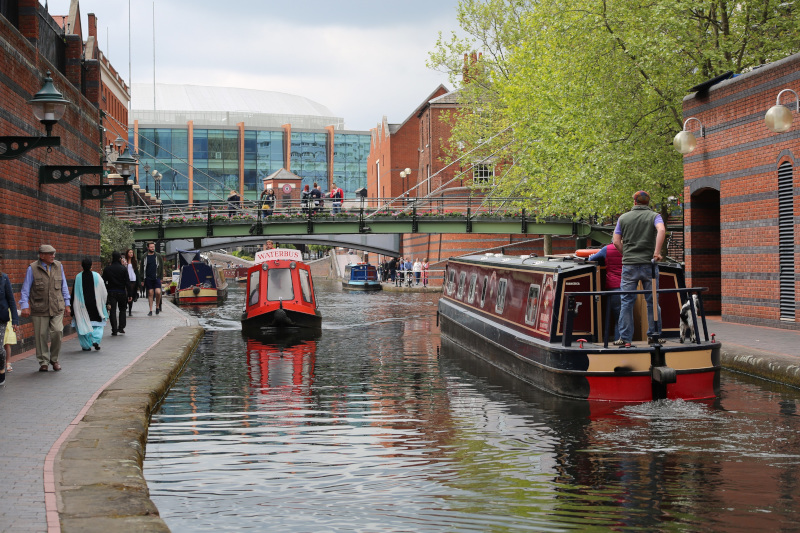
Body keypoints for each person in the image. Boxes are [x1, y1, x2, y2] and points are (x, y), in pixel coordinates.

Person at [612, 190, 666, 346]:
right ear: (648, 203)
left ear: (634, 202)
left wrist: (627, 254)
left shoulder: (623, 218)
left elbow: (616, 241)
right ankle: (653, 335)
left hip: (629, 265)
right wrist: (656, 253)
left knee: (626, 302)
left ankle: (625, 338)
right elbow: (661, 230)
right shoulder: (655, 216)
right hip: (649, 265)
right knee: (652, 301)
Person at [19, 244, 71, 372]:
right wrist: (24, 306)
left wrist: (67, 303)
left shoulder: (59, 266)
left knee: (58, 331)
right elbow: (25, 289)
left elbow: (64, 285)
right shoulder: (32, 268)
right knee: (41, 335)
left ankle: (54, 359)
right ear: (42, 255)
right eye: (50, 254)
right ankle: (43, 361)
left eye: (54, 253)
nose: (53, 256)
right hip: (39, 307)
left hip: (57, 306)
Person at [588, 244, 622, 341]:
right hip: (629, 287)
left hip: (614, 287)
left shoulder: (607, 249)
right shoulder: (631, 247)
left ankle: (619, 342)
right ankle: (627, 342)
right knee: (626, 317)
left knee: (618, 319)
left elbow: (592, 259)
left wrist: (591, 256)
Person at [73, 257, 107, 350]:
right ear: (91, 266)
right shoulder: (97, 276)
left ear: (82, 266)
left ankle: (86, 345)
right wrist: (104, 303)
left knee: (83, 325)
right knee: (97, 325)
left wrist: (72, 308)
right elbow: (104, 291)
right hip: (95, 305)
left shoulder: (78, 277)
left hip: (82, 306)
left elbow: (74, 293)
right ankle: (95, 340)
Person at [0, 258, 21, 385]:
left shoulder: (4, 278)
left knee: (0, 348)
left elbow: (11, 300)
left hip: (1, 317)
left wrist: (15, 320)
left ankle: (1, 369)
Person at [103, 251, 130, 335]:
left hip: (111, 292)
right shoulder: (123, 269)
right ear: (119, 258)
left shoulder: (107, 269)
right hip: (122, 292)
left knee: (113, 311)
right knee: (122, 310)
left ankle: (114, 329)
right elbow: (127, 282)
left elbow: (103, 281)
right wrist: (130, 294)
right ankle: (121, 327)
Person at [139, 241, 164, 316]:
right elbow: (141, 268)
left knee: (158, 292)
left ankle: (157, 306)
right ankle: (150, 310)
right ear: (148, 248)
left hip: (156, 277)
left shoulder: (158, 256)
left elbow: (161, 266)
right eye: (151, 247)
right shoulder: (144, 256)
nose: (152, 248)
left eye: (153, 247)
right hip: (148, 277)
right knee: (150, 293)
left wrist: (161, 277)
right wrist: (142, 279)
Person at [124, 248, 139, 317]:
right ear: (127, 253)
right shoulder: (124, 261)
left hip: (133, 279)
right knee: (126, 295)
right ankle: (125, 306)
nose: (131, 254)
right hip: (126, 280)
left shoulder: (134, 261)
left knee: (131, 295)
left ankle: (130, 311)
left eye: (132, 252)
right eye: (130, 252)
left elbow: (136, 271)